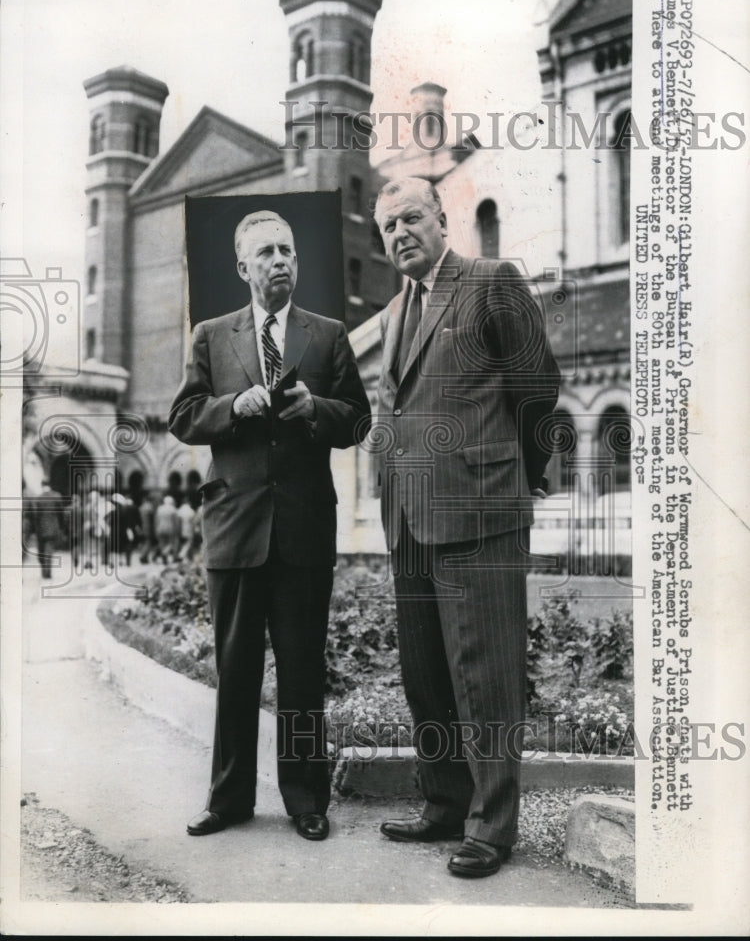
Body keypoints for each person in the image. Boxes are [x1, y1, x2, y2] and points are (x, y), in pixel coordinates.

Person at [372, 178, 560, 878]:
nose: (400, 233)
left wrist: (518, 474)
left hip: (480, 511)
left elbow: (538, 385)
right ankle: (444, 802)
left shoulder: (489, 282)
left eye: (411, 217)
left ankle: (491, 827)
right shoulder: (395, 311)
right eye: (388, 226)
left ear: (441, 219)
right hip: (411, 521)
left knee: (485, 674)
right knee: (426, 674)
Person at [169, 209, 370, 842]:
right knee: (235, 667)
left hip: (304, 527)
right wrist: (233, 406)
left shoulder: (329, 335)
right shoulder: (211, 335)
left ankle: (306, 797)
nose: (280, 260)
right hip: (234, 525)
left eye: (288, 250)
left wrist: (318, 410)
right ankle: (228, 799)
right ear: (243, 267)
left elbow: (359, 420)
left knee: (303, 666)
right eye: (267, 253)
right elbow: (183, 416)